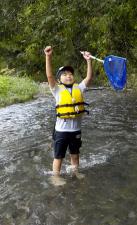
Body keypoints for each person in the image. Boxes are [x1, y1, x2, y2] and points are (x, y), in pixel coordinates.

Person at [44, 46, 92, 185]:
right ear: (59, 79)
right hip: (61, 131)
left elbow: (89, 77)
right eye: (64, 74)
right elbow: (49, 76)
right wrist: (48, 57)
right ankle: (56, 176)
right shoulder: (57, 90)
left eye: (70, 73)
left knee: (75, 155)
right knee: (58, 156)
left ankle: (75, 172)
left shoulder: (79, 88)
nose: (68, 75)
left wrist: (88, 61)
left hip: (75, 131)